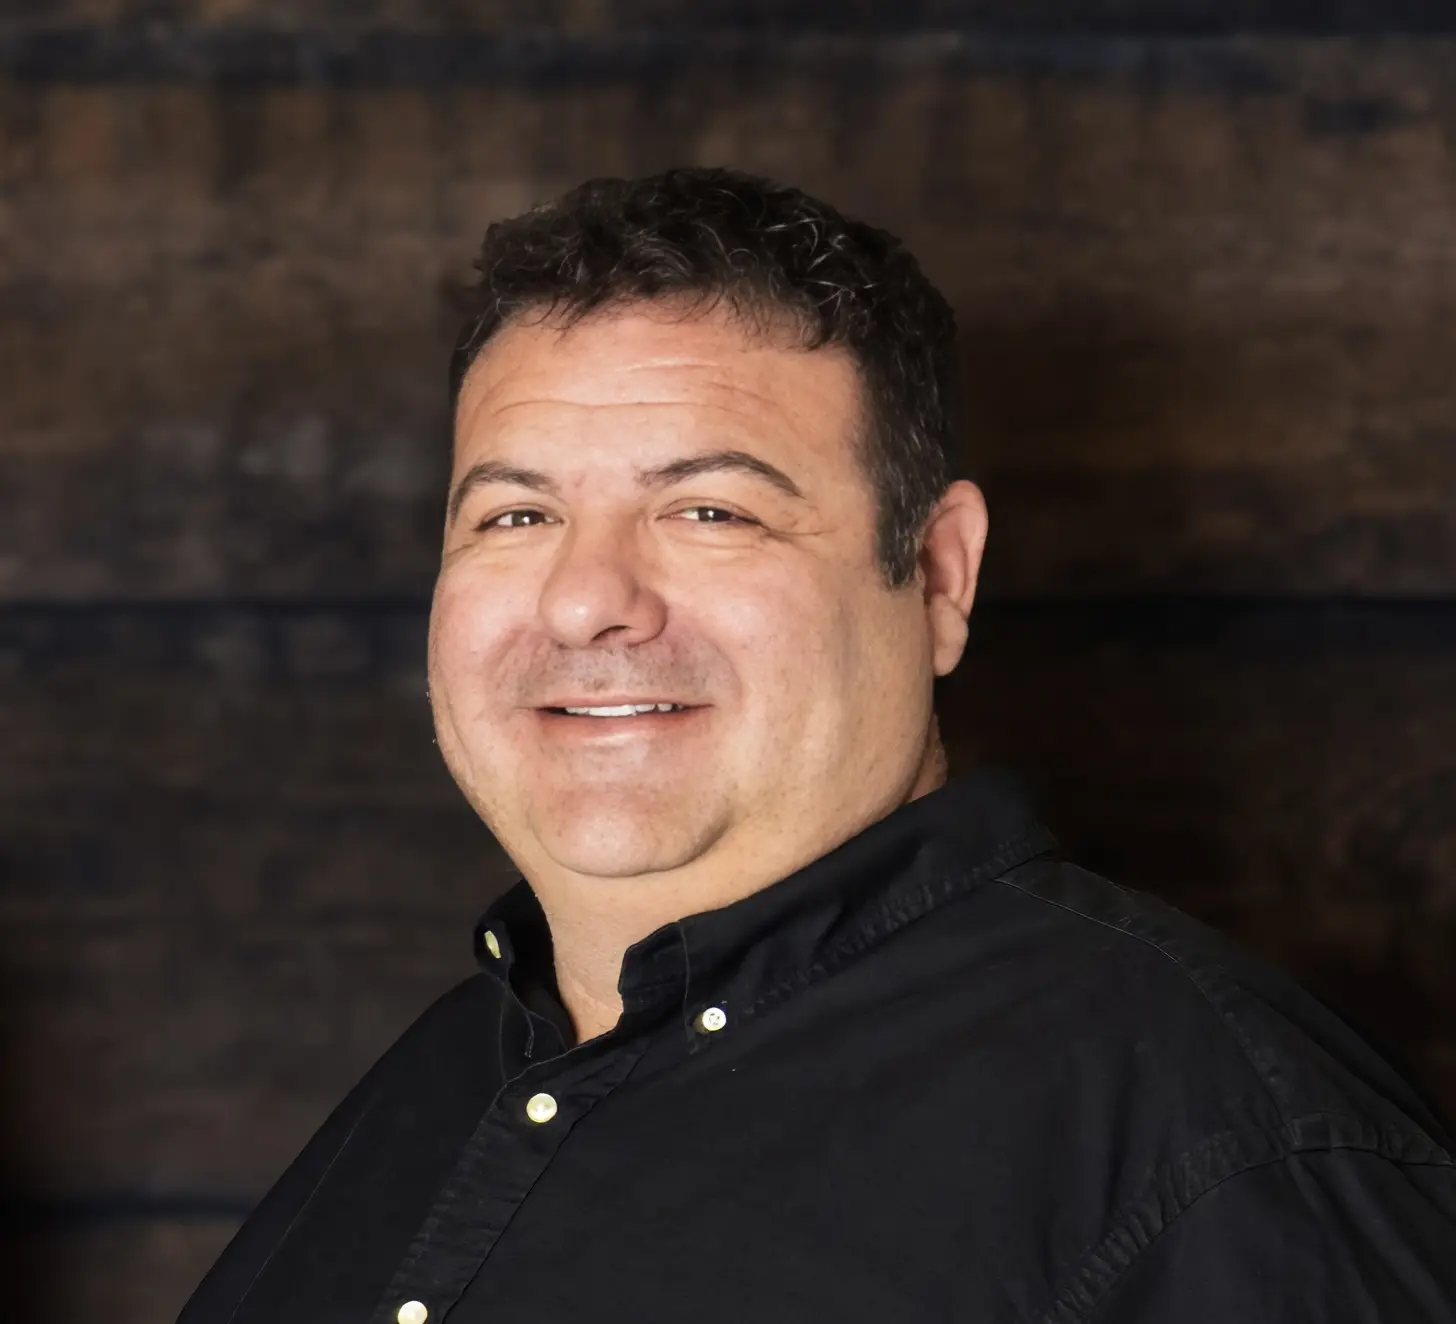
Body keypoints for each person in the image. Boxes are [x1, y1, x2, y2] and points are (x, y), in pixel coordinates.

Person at [178, 167, 1456, 1324]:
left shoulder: (1218, 1154)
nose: (584, 601)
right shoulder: (430, 1089)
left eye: (709, 509)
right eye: (515, 515)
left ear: (938, 575)